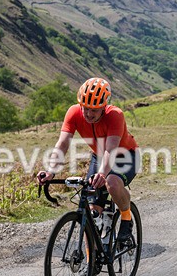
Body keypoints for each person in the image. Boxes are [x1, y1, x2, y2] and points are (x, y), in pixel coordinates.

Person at [37, 78, 140, 252]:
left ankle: (126, 219)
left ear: (104, 107)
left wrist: (101, 174)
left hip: (125, 156)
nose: (88, 114)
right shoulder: (74, 113)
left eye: (94, 110)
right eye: (85, 108)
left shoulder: (115, 115)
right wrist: (51, 171)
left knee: (112, 183)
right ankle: (89, 261)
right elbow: (62, 144)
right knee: (91, 212)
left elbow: (111, 150)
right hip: (99, 156)